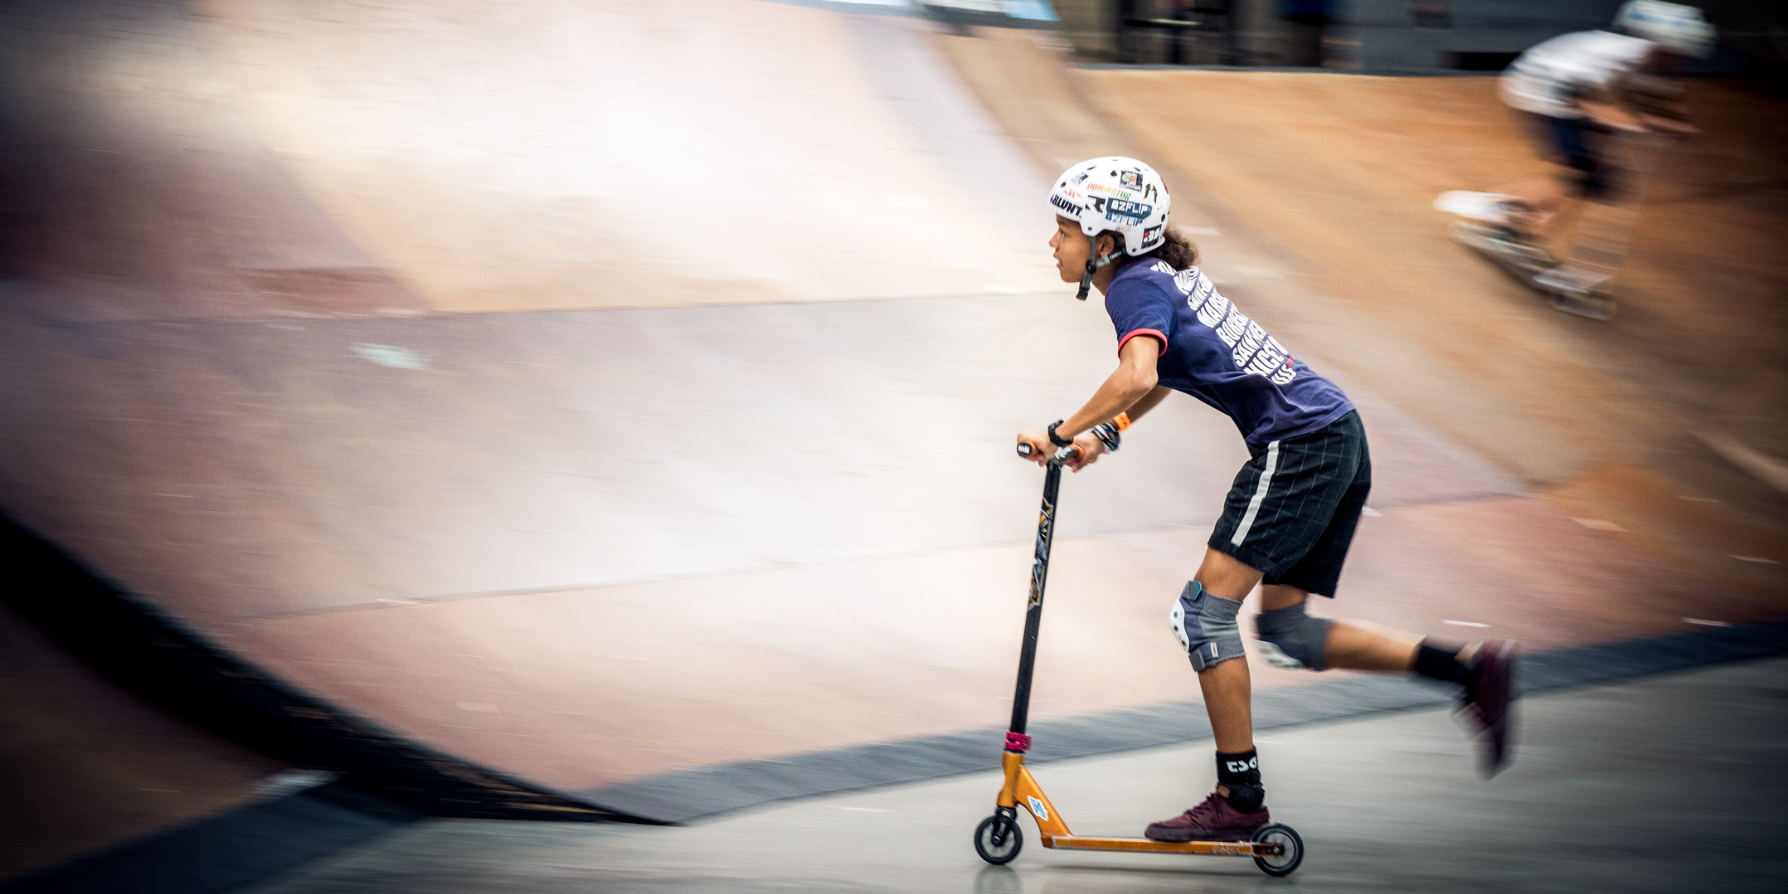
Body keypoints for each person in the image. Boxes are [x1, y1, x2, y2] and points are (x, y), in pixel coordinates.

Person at [1018, 157, 1517, 843]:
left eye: (1067, 229)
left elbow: (1138, 370)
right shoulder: (1158, 276)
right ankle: (1466, 670)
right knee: (1287, 633)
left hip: (1301, 446)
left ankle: (1239, 795)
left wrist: (1060, 431)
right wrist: (1107, 431)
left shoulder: (1131, 286)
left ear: (1110, 240)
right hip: (1335, 433)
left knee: (1201, 616)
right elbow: (1167, 369)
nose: (1054, 242)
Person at [1461, 1, 1712, 289]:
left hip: (1554, 94)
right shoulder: (1617, 54)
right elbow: (1580, 97)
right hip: (1540, 92)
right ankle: (1506, 223)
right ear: (1664, 45)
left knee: (1598, 181)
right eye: (1679, 55)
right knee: (1584, 169)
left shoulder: (1644, 60)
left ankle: (1513, 219)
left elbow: (1659, 106)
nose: (1680, 63)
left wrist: (1675, 126)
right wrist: (1631, 123)